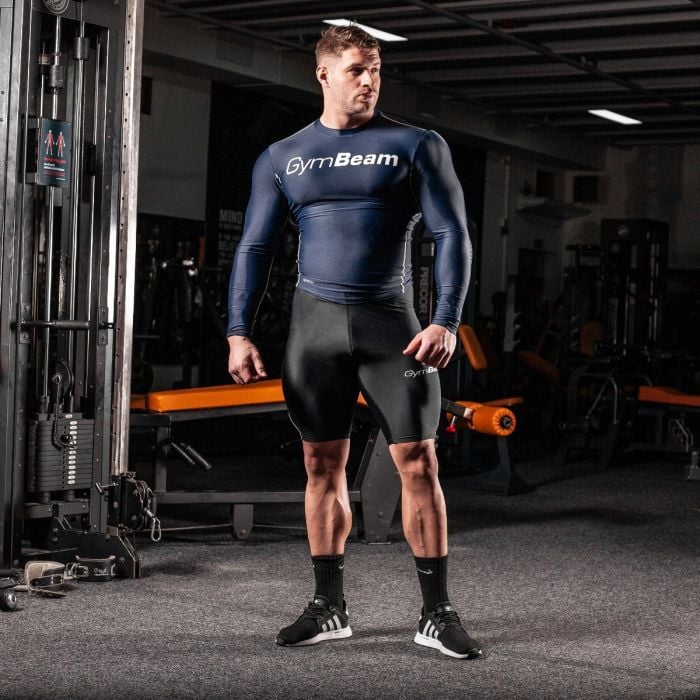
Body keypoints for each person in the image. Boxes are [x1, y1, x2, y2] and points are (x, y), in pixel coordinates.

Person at [227, 24, 480, 660]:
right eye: (357, 70)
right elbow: (254, 247)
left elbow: (452, 233)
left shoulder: (415, 144)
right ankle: (327, 608)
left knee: (419, 462)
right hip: (314, 328)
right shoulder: (284, 156)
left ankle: (437, 613)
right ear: (324, 74)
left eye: (376, 70)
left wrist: (446, 320)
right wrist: (237, 332)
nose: (369, 81)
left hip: (392, 327)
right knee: (320, 464)